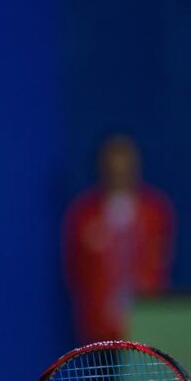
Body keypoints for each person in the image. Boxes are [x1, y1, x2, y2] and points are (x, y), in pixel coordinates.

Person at [63, 135, 176, 345]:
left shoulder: (155, 212)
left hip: (146, 324)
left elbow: (160, 265)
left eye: (124, 167)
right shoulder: (82, 215)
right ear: (102, 168)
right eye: (112, 167)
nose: (119, 172)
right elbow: (75, 271)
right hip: (97, 329)